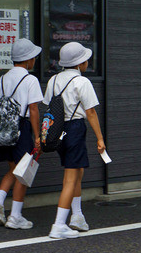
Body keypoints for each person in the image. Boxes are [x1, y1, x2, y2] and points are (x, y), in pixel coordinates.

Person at [43, 42, 106, 239]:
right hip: (75, 128)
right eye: (85, 59)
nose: (87, 62)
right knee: (70, 178)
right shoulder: (82, 82)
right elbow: (91, 112)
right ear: (80, 63)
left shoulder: (53, 80)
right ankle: (59, 225)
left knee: (76, 172)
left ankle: (77, 216)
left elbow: (47, 105)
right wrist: (100, 138)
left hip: (58, 131)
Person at [0, 39, 43, 230]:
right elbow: (33, 109)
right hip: (22, 127)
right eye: (33, 57)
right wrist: (38, 136)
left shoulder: (1, 79)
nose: (34, 60)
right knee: (22, 173)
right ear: (27, 59)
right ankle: (15, 216)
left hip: (3, 129)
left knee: (13, 169)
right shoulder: (30, 80)